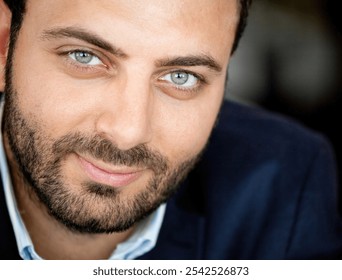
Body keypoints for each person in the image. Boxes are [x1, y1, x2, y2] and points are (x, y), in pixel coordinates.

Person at [0, 0, 341, 260]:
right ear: (3, 47)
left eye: (182, 77)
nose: (128, 132)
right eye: (84, 56)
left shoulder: (284, 182)